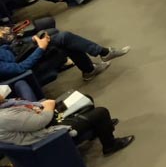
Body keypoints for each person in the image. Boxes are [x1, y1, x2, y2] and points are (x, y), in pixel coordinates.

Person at [0, 90, 133, 157]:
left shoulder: (5, 105)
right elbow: (40, 122)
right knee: (100, 112)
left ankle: (100, 128)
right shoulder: (5, 117)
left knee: (84, 98)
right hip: (46, 133)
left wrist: (41, 106)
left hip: (42, 119)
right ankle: (110, 145)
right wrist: (49, 105)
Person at [0, 24, 129, 83]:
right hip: (30, 69)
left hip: (23, 53)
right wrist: (40, 48)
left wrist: (31, 41)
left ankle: (91, 68)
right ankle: (103, 54)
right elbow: (20, 68)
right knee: (65, 41)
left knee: (61, 37)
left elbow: (6, 47)